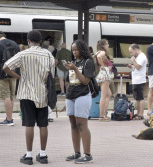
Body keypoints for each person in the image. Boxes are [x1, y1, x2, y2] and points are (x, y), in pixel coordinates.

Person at [3, 30, 55, 165]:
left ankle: (29, 155)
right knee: (43, 124)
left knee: (29, 124)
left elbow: (6, 67)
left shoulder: (23, 54)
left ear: (28, 41)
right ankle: (43, 155)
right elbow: (51, 76)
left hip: (26, 93)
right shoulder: (48, 55)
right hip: (43, 94)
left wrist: (20, 77)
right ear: (41, 40)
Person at [64, 39, 95, 163]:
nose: (74, 52)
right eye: (73, 50)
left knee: (82, 124)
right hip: (71, 95)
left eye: (76, 50)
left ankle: (87, 155)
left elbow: (85, 81)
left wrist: (75, 69)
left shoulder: (88, 62)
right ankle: (76, 153)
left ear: (82, 49)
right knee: (73, 125)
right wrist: (70, 68)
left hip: (82, 95)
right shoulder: (74, 62)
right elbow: (70, 80)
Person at [0, 31, 20, 126]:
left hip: (2, 74)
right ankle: (10, 117)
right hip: (14, 72)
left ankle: (9, 119)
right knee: (12, 96)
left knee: (6, 96)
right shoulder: (14, 43)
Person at [128, 44, 147, 120]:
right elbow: (136, 67)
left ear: (136, 49)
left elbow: (138, 67)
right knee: (137, 97)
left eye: (132, 52)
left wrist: (133, 61)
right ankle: (139, 112)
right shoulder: (139, 57)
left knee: (140, 97)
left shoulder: (142, 56)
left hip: (139, 79)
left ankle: (141, 114)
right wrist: (132, 66)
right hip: (136, 79)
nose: (131, 54)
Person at [96, 39, 112, 121]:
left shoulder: (98, 51)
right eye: (107, 44)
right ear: (104, 45)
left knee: (108, 94)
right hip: (104, 74)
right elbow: (99, 57)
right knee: (104, 95)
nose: (108, 45)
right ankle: (102, 115)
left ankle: (103, 113)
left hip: (101, 74)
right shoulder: (103, 52)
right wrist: (103, 65)